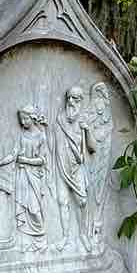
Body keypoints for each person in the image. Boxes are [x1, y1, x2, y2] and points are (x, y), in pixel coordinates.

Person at [52, 86, 88, 251]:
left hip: (77, 168)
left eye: (76, 99)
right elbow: (55, 147)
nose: (71, 102)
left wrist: (87, 132)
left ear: (81, 102)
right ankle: (65, 237)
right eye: (69, 98)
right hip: (62, 167)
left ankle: (83, 235)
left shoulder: (83, 122)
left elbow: (91, 148)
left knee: (82, 201)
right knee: (62, 201)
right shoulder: (59, 121)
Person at [81, 82, 113, 252]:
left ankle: (95, 232)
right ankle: (87, 233)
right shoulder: (91, 116)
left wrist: (88, 130)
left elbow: (94, 145)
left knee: (98, 197)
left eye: (100, 101)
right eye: (95, 101)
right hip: (90, 166)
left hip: (100, 167)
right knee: (89, 196)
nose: (97, 105)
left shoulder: (106, 124)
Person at [14, 106, 49, 253]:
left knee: (34, 209)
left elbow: (42, 160)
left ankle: (42, 240)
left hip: (34, 176)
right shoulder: (22, 135)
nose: (22, 122)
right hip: (22, 176)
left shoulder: (41, 136)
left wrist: (26, 160)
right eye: (21, 119)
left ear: (33, 118)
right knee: (25, 209)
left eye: (25, 118)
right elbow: (16, 153)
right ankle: (29, 242)